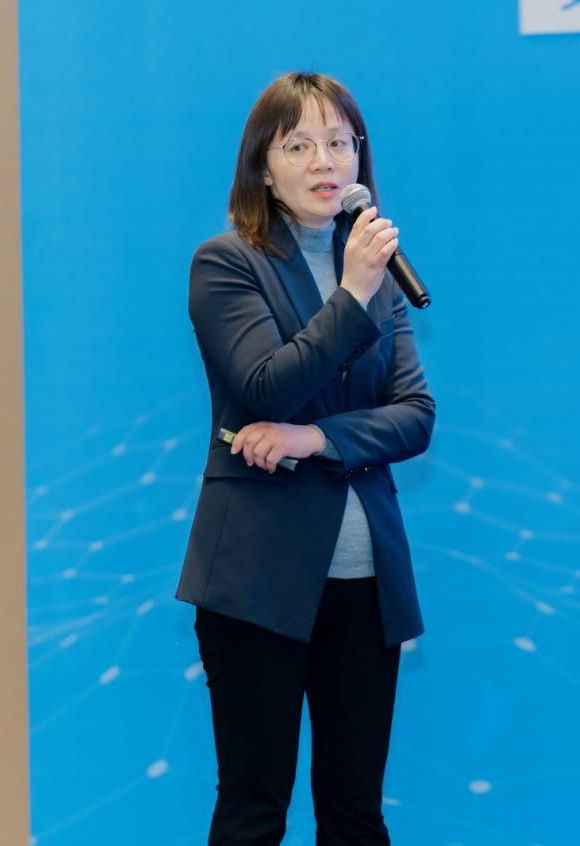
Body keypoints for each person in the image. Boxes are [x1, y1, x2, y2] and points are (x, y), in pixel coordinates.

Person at [175, 71, 435, 845]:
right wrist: (349, 295)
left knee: (355, 812)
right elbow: (266, 386)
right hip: (257, 578)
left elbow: (415, 417)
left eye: (339, 143)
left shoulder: (380, 271)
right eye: (298, 146)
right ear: (263, 166)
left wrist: (314, 439)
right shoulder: (227, 263)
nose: (324, 161)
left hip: (365, 580)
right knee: (254, 808)